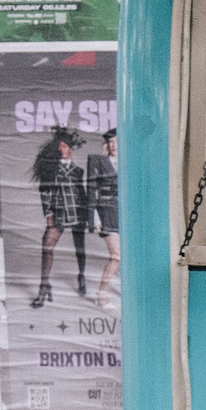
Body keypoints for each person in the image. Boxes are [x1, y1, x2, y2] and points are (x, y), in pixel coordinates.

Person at [32, 125, 88, 309]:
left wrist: (89, 215)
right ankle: (44, 285)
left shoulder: (78, 171)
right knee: (47, 246)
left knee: (80, 247)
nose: (62, 149)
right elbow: (45, 191)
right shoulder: (50, 168)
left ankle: (82, 276)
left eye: (65, 146)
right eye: (60, 146)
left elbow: (82, 193)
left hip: (77, 212)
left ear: (71, 149)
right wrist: (48, 212)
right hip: (59, 213)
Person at [86, 127, 121, 303]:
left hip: (128, 214)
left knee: (129, 259)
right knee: (116, 256)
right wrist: (94, 218)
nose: (114, 145)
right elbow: (91, 191)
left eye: (117, 141)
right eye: (111, 141)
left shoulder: (132, 161)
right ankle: (102, 292)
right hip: (106, 212)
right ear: (106, 144)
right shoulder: (97, 161)